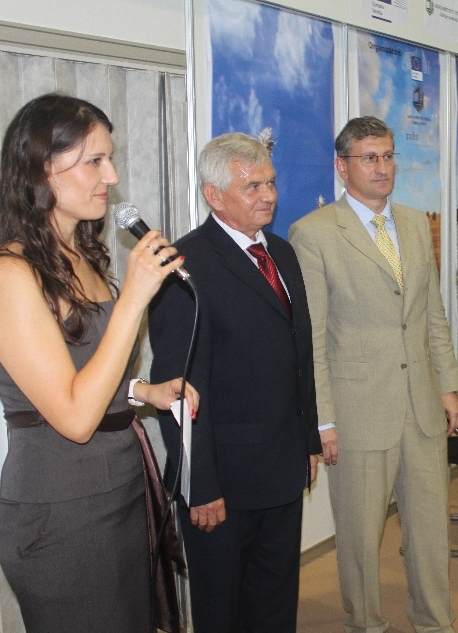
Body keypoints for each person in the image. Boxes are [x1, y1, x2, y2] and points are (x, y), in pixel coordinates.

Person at [0, 93, 196, 633]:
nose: (111, 176)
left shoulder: (84, 255)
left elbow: (85, 371)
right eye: (94, 161)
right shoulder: (7, 276)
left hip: (120, 487)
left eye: (109, 159)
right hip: (61, 510)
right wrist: (133, 298)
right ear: (41, 169)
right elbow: (74, 417)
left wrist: (144, 391)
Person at [289, 116, 458, 633]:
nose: (382, 167)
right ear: (342, 167)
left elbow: (431, 312)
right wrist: (322, 419)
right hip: (358, 411)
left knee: (430, 530)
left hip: (421, 405)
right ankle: (365, 624)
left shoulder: (414, 222)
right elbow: (313, 337)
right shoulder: (314, 234)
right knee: (361, 538)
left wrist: (448, 385)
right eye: (369, 157)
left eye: (387, 156)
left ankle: (435, 623)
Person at [148, 132, 321, 633]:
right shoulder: (184, 267)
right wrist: (198, 484)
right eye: (252, 187)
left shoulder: (281, 253)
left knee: (275, 604)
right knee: (222, 611)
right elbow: (177, 388)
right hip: (221, 485)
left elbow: (299, 357)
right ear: (214, 195)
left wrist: (307, 442)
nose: (269, 195)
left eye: (271, 183)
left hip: (282, 467)